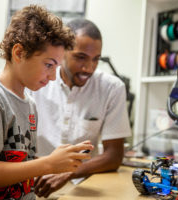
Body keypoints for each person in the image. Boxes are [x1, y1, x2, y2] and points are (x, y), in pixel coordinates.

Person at [0, 5, 93, 200]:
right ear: (19, 53)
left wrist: (58, 163)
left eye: (56, 67)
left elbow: (17, 161)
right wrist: (47, 163)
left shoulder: (28, 103)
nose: (53, 77)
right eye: (48, 65)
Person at [31, 18, 131, 198]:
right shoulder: (37, 82)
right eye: (80, 57)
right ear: (62, 52)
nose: (89, 68)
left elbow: (114, 156)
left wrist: (68, 172)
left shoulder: (112, 88)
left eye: (96, 60)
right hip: (34, 180)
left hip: (81, 183)